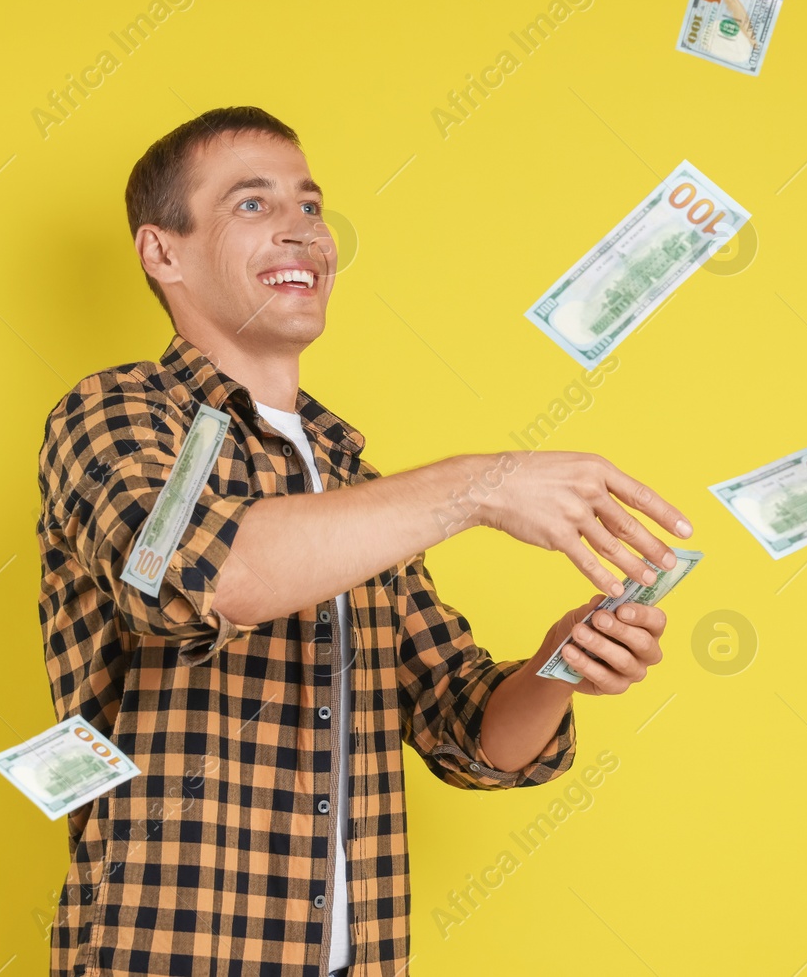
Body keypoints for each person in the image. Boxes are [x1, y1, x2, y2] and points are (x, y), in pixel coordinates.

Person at [35, 105, 692, 976]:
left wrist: (559, 663)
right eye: (252, 205)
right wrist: (478, 487)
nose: (302, 232)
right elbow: (195, 578)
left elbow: (468, 731)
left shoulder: (353, 479)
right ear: (164, 252)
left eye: (311, 207)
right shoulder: (117, 412)